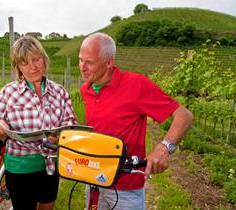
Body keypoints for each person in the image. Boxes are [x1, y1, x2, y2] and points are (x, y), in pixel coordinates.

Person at [78, 32, 193, 210]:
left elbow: (184, 115)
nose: (82, 67)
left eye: (89, 62)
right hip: (94, 179)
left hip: (126, 187)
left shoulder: (136, 85)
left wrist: (164, 148)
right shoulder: (86, 89)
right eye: (80, 60)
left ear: (109, 62)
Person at [0, 36, 77, 210]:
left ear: (44, 59)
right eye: (25, 63)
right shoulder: (8, 92)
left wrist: (60, 136)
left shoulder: (59, 92)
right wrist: (0, 129)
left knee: (46, 206)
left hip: (50, 166)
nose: (33, 66)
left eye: (36, 59)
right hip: (19, 168)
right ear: (18, 68)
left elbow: (70, 122)